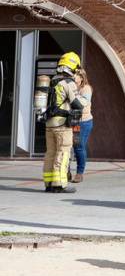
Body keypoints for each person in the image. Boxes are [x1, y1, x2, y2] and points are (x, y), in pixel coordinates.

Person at [42, 52, 82, 194]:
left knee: (50, 153)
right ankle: (59, 184)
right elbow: (77, 104)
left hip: (49, 124)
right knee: (63, 152)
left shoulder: (52, 80)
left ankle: (49, 183)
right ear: (73, 67)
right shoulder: (68, 83)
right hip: (62, 124)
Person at [69, 68, 94, 183]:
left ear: (81, 78)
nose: (73, 78)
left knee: (79, 146)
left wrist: (73, 95)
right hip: (74, 121)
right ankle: (67, 172)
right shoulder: (72, 87)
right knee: (72, 145)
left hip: (84, 122)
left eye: (75, 76)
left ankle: (79, 173)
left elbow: (82, 104)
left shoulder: (86, 89)